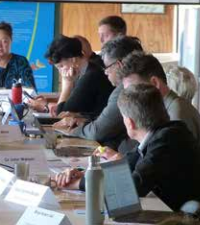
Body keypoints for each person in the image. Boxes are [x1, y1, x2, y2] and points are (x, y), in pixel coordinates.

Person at [56, 84, 200, 211]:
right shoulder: (160, 134)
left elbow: (132, 188)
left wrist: (79, 184)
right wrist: (85, 174)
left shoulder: (167, 139)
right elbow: (127, 166)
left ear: (129, 122)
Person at [53, 36, 143, 150]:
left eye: (107, 67)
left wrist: (73, 129)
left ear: (119, 66)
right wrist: (84, 119)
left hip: (120, 152)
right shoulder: (135, 85)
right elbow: (107, 119)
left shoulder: (125, 90)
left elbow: (97, 131)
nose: (105, 73)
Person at [119, 52, 200, 146]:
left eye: (135, 90)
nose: (130, 98)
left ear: (155, 83)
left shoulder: (176, 115)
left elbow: (172, 159)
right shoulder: (165, 109)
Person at [42, 35, 113, 117]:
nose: (60, 72)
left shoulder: (91, 76)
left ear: (73, 60)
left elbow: (62, 115)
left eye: (61, 66)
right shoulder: (87, 71)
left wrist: (67, 83)